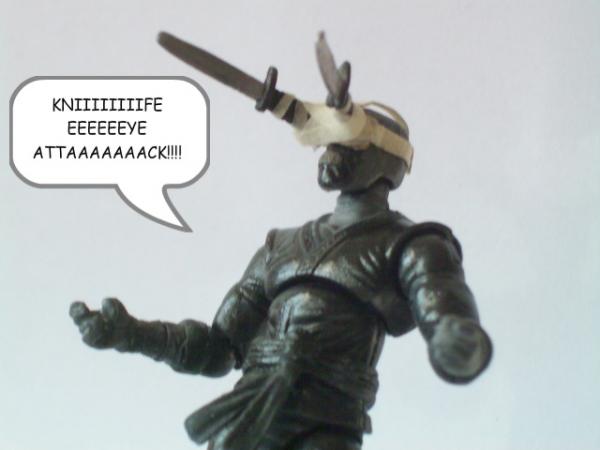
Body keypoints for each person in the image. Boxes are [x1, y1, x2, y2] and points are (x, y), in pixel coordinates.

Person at [70, 106, 492, 450]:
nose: (330, 153)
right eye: (328, 142)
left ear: (387, 162)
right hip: (249, 419)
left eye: (348, 143)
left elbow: (441, 303)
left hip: (328, 426)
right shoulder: (282, 246)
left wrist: (457, 339)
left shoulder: (412, 244)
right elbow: (219, 349)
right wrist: (134, 335)